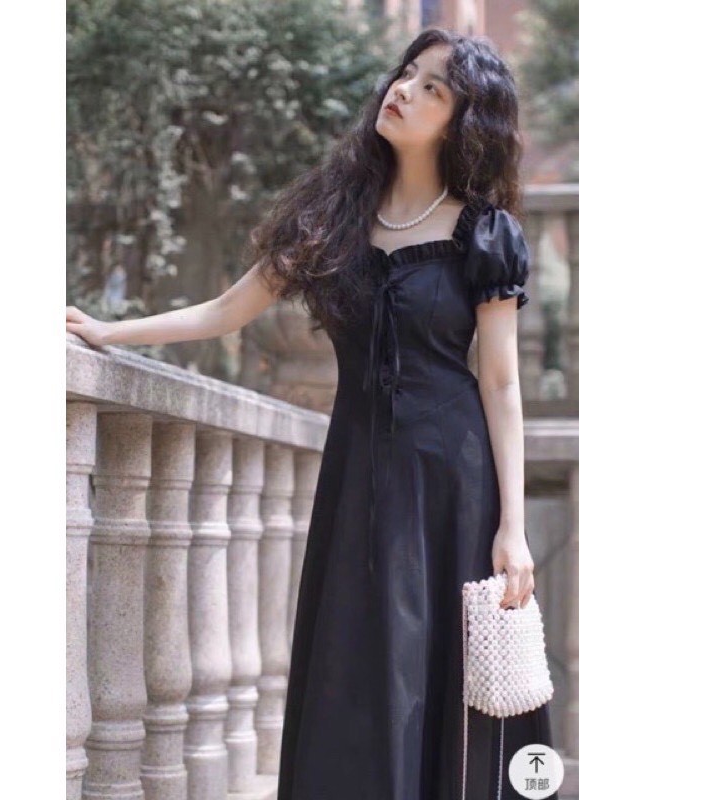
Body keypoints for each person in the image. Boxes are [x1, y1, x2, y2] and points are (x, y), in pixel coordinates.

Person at [67, 28, 558, 800]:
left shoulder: (486, 234)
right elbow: (226, 311)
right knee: (355, 661)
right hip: (357, 472)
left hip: (453, 486)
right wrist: (106, 332)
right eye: (407, 73)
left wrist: (514, 528)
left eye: (433, 88)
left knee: (445, 671)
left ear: (463, 121)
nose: (404, 90)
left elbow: (499, 384)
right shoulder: (335, 218)